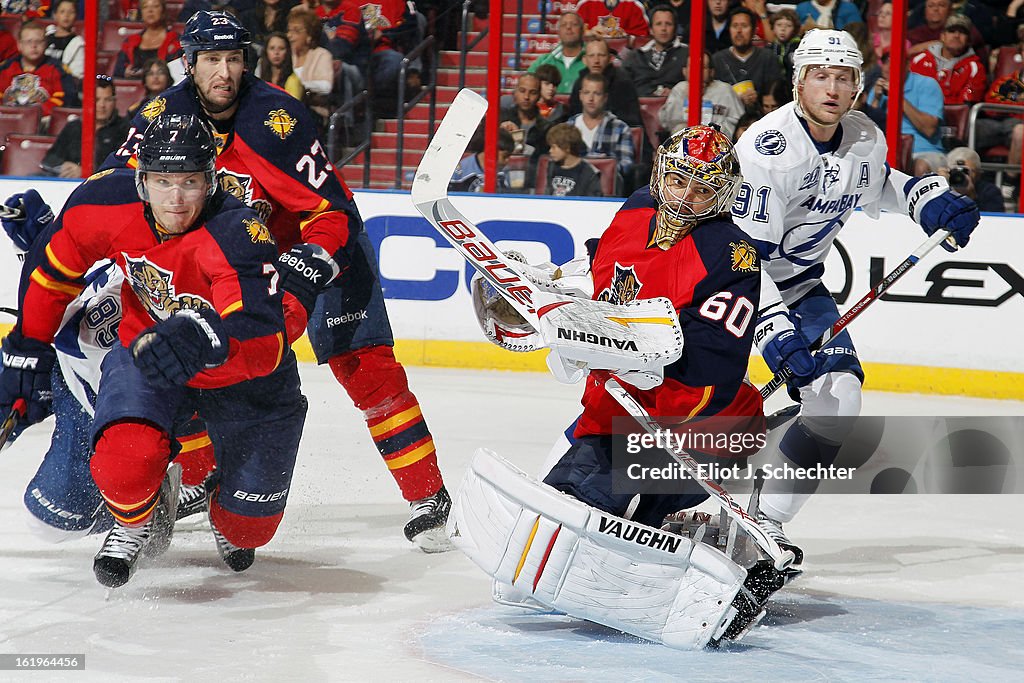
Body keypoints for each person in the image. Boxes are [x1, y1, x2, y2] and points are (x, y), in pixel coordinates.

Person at [105, 10, 454, 551]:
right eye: (211, 60)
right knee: (189, 361)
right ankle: (202, 478)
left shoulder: (276, 117)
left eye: (234, 59)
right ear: (189, 63)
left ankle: (428, 496)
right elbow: (113, 192)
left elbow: (331, 209)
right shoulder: (160, 116)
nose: (224, 72)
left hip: (317, 251)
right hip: (226, 264)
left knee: (365, 369)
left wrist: (314, 259)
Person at [464, 125, 772, 645]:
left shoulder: (731, 253)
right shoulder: (634, 208)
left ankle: (684, 537)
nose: (686, 198)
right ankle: (668, 529)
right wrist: (552, 282)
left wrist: (624, 353)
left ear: (722, 195)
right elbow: (605, 269)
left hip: (692, 430)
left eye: (703, 189)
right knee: (530, 565)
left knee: (575, 531)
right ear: (660, 175)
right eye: (678, 182)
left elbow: (713, 369)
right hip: (612, 412)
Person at [0, 113, 307, 588]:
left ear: (211, 181)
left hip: (240, 376)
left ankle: (220, 498)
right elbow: (55, 274)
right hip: (145, 354)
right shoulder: (103, 202)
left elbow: (263, 346)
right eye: (163, 181)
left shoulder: (239, 231)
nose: (177, 199)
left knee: (249, 528)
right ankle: (138, 519)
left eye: (190, 182)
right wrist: (25, 349)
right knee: (122, 462)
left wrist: (208, 337)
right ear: (141, 180)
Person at [732, 29, 979, 565]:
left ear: (856, 87)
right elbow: (745, 256)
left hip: (800, 286)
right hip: (731, 283)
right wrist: (773, 329)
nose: (832, 87)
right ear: (799, 82)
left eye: (843, 77)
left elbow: (878, 183)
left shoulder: (864, 136)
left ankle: (763, 525)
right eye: (820, 75)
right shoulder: (768, 148)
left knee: (837, 399)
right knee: (703, 403)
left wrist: (925, 199)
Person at [865, 47, 946, 175]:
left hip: (923, 150)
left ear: (908, 65)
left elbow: (929, 128)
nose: (889, 66)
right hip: (885, 151)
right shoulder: (877, 89)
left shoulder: (927, 84)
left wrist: (897, 96)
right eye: (886, 62)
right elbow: (867, 128)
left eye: (895, 61)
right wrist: (875, 99)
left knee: (920, 166)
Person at [40, 76, 130, 178]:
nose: (102, 105)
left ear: (114, 102)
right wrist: (63, 166)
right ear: (86, 100)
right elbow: (49, 160)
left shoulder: (125, 129)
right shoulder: (73, 127)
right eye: (96, 99)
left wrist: (86, 171)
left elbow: (123, 165)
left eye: (108, 100)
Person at [566, 72, 636, 190]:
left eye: (597, 94)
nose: (591, 99)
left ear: (605, 98)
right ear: (580, 95)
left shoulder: (620, 128)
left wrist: (602, 168)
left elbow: (626, 164)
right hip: (572, 187)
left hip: (605, 188)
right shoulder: (568, 127)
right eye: (587, 93)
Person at [0, 20, 77, 118]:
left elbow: (66, 99)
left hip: (44, 121)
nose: (34, 46)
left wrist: (33, 115)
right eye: (29, 41)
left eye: (38, 41)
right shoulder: (5, 68)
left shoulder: (57, 69)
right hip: (8, 120)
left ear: (46, 44)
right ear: (19, 45)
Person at [659, 51, 745, 139]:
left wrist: (713, 131)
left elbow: (740, 122)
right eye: (692, 66)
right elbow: (666, 123)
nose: (697, 71)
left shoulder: (725, 90)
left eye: (702, 67)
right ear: (684, 71)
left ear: (711, 72)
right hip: (684, 144)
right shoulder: (679, 89)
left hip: (716, 143)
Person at [711, 7, 783, 112]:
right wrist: (735, 99)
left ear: (754, 30)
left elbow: (777, 94)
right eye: (735, 26)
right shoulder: (717, 59)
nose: (739, 31)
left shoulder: (768, 57)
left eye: (744, 26)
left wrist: (758, 97)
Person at [909, 15, 987, 106]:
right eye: (951, 31)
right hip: (916, 114)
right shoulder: (920, 60)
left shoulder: (975, 69)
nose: (956, 36)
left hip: (952, 118)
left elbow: (965, 106)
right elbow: (908, 93)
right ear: (942, 36)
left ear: (968, 40)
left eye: (962, 32)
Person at [567, 37, 641, 127]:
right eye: (591, 56)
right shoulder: (580, 83)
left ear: (610, 59)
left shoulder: (623, 83)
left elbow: (630, 122)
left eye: (601, 55)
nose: (596, 61)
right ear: (584, 60)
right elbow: (573, 116)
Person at [621, 4, 687, 98]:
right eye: (658, 24)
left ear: (675, 28)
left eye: (668, 24)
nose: (663, 29)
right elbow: (621, 86)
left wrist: (675, 93)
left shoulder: (688, 54)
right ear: (651, 30)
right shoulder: (635, 56)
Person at [113, 0, 182, 79]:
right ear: (141, 12)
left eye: (155, 6)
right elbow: (118, 72)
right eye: (145, 7)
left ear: (163, 11)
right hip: (136, 84)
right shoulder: (130, 42)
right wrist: (125, 72)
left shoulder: (175, 40)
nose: (150, 11)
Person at [527, 12, 586, 95]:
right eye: (564, 25)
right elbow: (527, 87)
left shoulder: (593, 60)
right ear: (558, 31)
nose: (568, 27)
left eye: (574, 24)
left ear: (582, 30)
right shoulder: (543, 61)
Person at [540, 123, 603, 197]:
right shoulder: (550, 167)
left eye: (553, 147)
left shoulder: (588, 172)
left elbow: (593, 201)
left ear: (567, 147)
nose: (550, 151)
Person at [448, 126, 514, 193]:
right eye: (505, 156)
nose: (507, 160)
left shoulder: (505, 173)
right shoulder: (460, 171)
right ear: (490, 151)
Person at [942, 146, 1005, 213]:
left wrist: (971, 195)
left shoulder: (989, 191)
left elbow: (994, 218)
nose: (960, 175)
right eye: (955, 171)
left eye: (966, 171)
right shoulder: (943, 188)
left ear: (978, 173)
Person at [574, 0, 649, 45]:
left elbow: (643, 39)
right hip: (591, 55)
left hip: (624, 59)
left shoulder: (634, 5)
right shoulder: (585, 4)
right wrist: (589, 33)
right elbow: (573, 34)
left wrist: (625, 36)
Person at [255, 31, 303, 100]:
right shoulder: (260, 76)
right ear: (266, 52)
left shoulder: (293, 80)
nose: (276, 52)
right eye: (272, 48)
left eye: (281, 48)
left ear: (287, 52)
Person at [43, 0, 84, 81]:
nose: (66, 15)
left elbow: (77, 75)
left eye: (71, 12)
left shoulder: (78, 44)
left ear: (76, 16)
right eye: (62, 11)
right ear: (55, 15)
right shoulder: (45, 37)